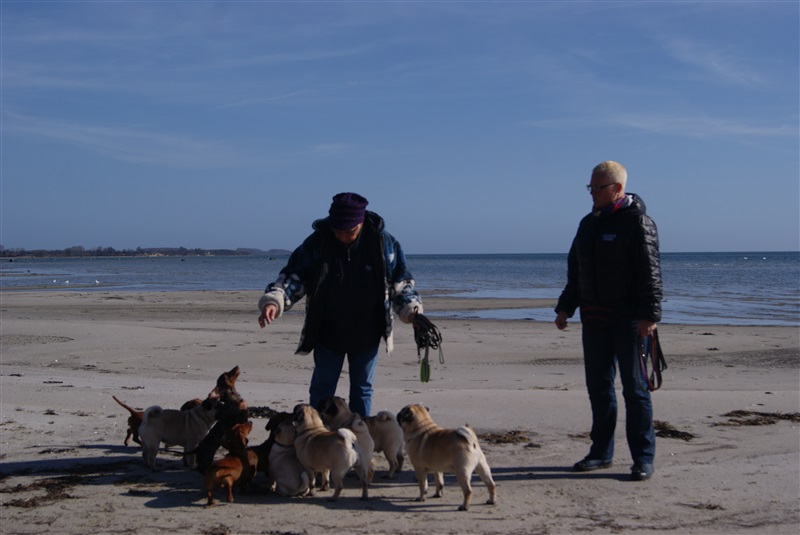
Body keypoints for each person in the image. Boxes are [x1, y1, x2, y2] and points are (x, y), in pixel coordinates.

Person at [257, 192, 423, 418]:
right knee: (322, 389)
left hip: (368, 331)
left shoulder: (384, 244)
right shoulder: (318, 242)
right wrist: (274, 302)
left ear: (361, 222)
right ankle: (316, 434)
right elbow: (294, 276)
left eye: (349, 231)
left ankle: (360, 435)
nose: (343, 236)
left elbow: (401, 284)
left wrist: (412, 311)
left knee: (362, 390)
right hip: (327, 331)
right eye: (338, 230)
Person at [554, 161, 663, 482]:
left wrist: (649, 316)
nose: (592, 193)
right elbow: (576, 271)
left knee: (635, 390)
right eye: (590, 187)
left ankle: (643, 458)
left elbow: (651, 273)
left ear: (617, 189)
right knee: (599, 388)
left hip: (630, 320)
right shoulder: (587, 223)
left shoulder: (638, 222)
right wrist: (565, 308)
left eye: (598, 187)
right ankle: (600, 453)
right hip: (594, 318)